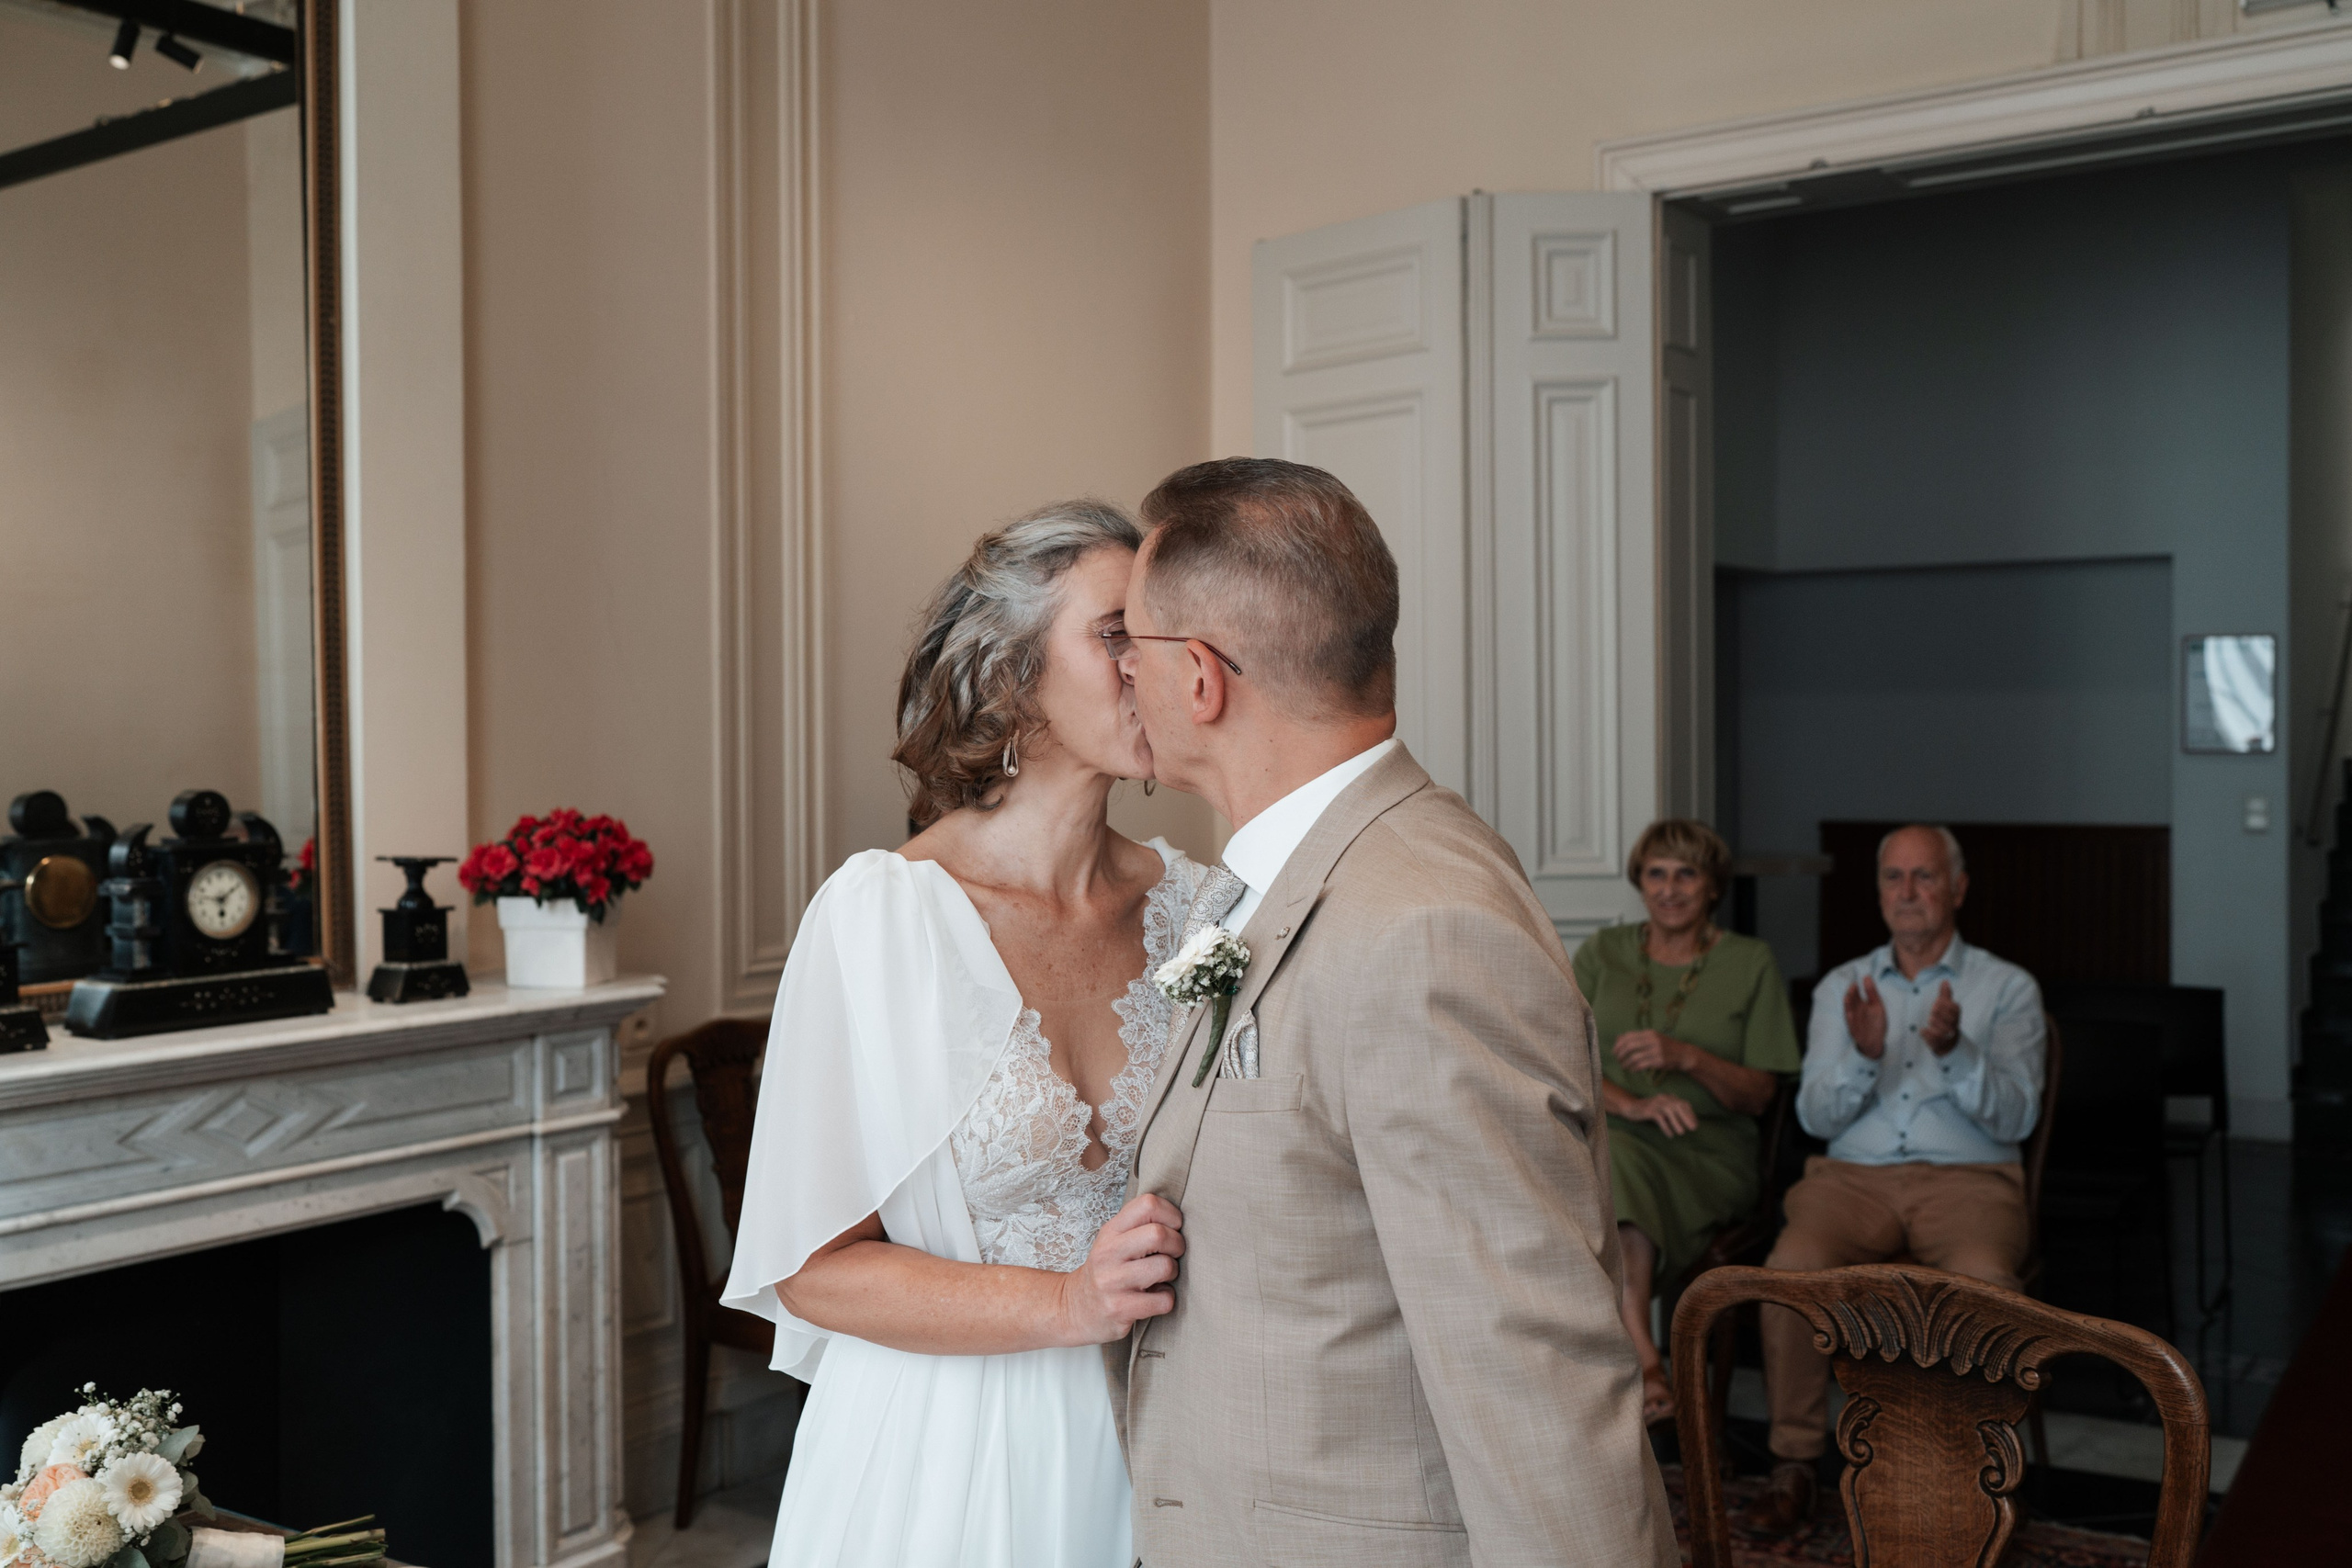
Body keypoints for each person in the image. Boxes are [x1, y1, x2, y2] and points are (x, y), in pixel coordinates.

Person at [1110, 457, 1677, 1567]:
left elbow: (1531, 1369)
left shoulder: (1422, 927)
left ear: (1200, 678)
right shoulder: (1267, 883)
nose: (1119, 670)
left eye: (1131, 641)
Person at [720, 501, 1205, 1568]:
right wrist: (1069, 1301)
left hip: (1166, 1439)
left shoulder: (1200, 912)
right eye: (1115, 633)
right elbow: (813, 1272)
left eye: (1163, 634)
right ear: (1010, 672)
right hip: (943, 1463)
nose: (1154, 665)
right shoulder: (877, 920)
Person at [1753, 823, 2045, 1535]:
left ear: (1958, 888)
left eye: (1924, 875)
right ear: (1879, 891)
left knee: (1985, 1283)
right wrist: (1863, 1055)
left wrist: (1956, 1050)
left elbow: (2018, 1116)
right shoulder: (1841, 986)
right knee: (1790, 1271)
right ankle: (1794, 1462)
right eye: (1894, 876)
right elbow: (1815, 1115)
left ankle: (1972, 1479)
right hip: (1851, 1181)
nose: (1907, 891)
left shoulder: (2007, 987)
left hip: (1969, 1181)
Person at [1572, 819, 1800, 1426]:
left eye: (1686, 874)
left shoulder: (1748, 962)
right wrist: (1631, 1104)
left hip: (1707, 1150)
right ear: (1639, 881)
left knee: (1611, 1168)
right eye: (1656, 873)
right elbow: (1562, 1054)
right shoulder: (1603, 953)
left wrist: (1686, 1057)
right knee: (1605, 1159)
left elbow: (1761, 1094)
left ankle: (1639, 1363)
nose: (1669, 889)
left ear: (1713, 886)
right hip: (1618, 1133)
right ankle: (1640, 1355)